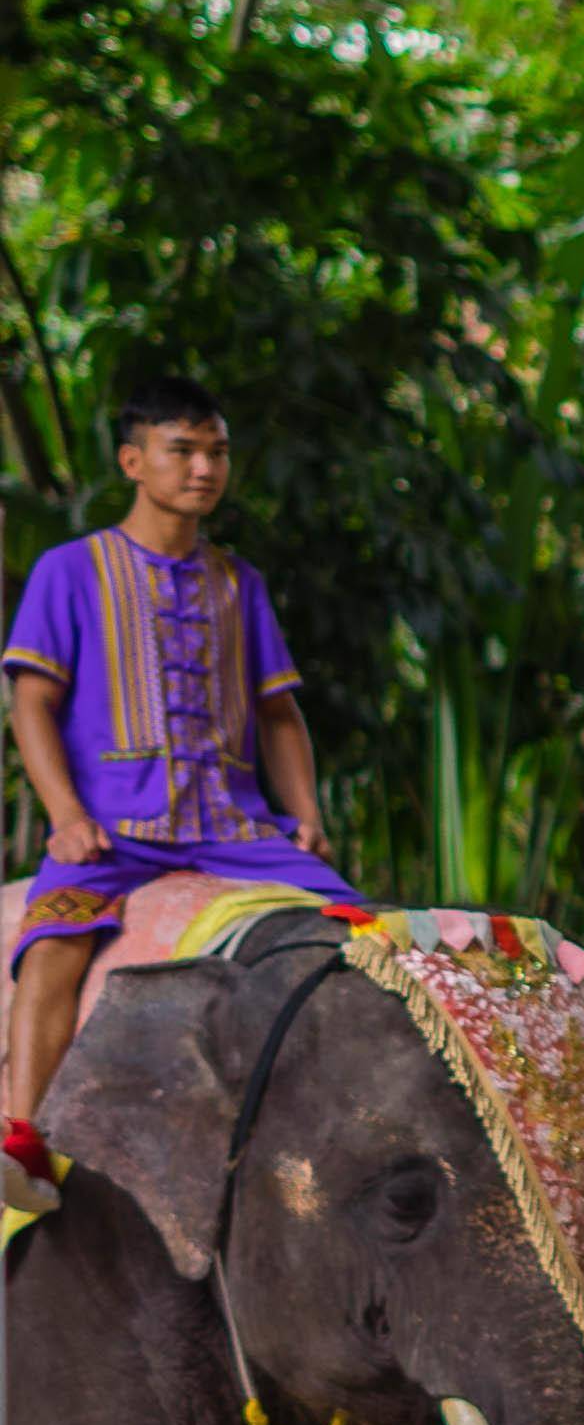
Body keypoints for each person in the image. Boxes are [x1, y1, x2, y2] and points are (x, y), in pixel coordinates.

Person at [0, 376, 355, 1212]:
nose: (204, 468)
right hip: (113, 833)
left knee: (358, 935)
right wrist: (66, 818)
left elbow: (279, 714)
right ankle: (23, 1143)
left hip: (234, 828)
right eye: (183, 450)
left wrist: (306, 817)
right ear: (134, 461)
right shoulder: (69, 570)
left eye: (217, 452)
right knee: (51, 943)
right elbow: (31, 703)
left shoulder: (241, 582)